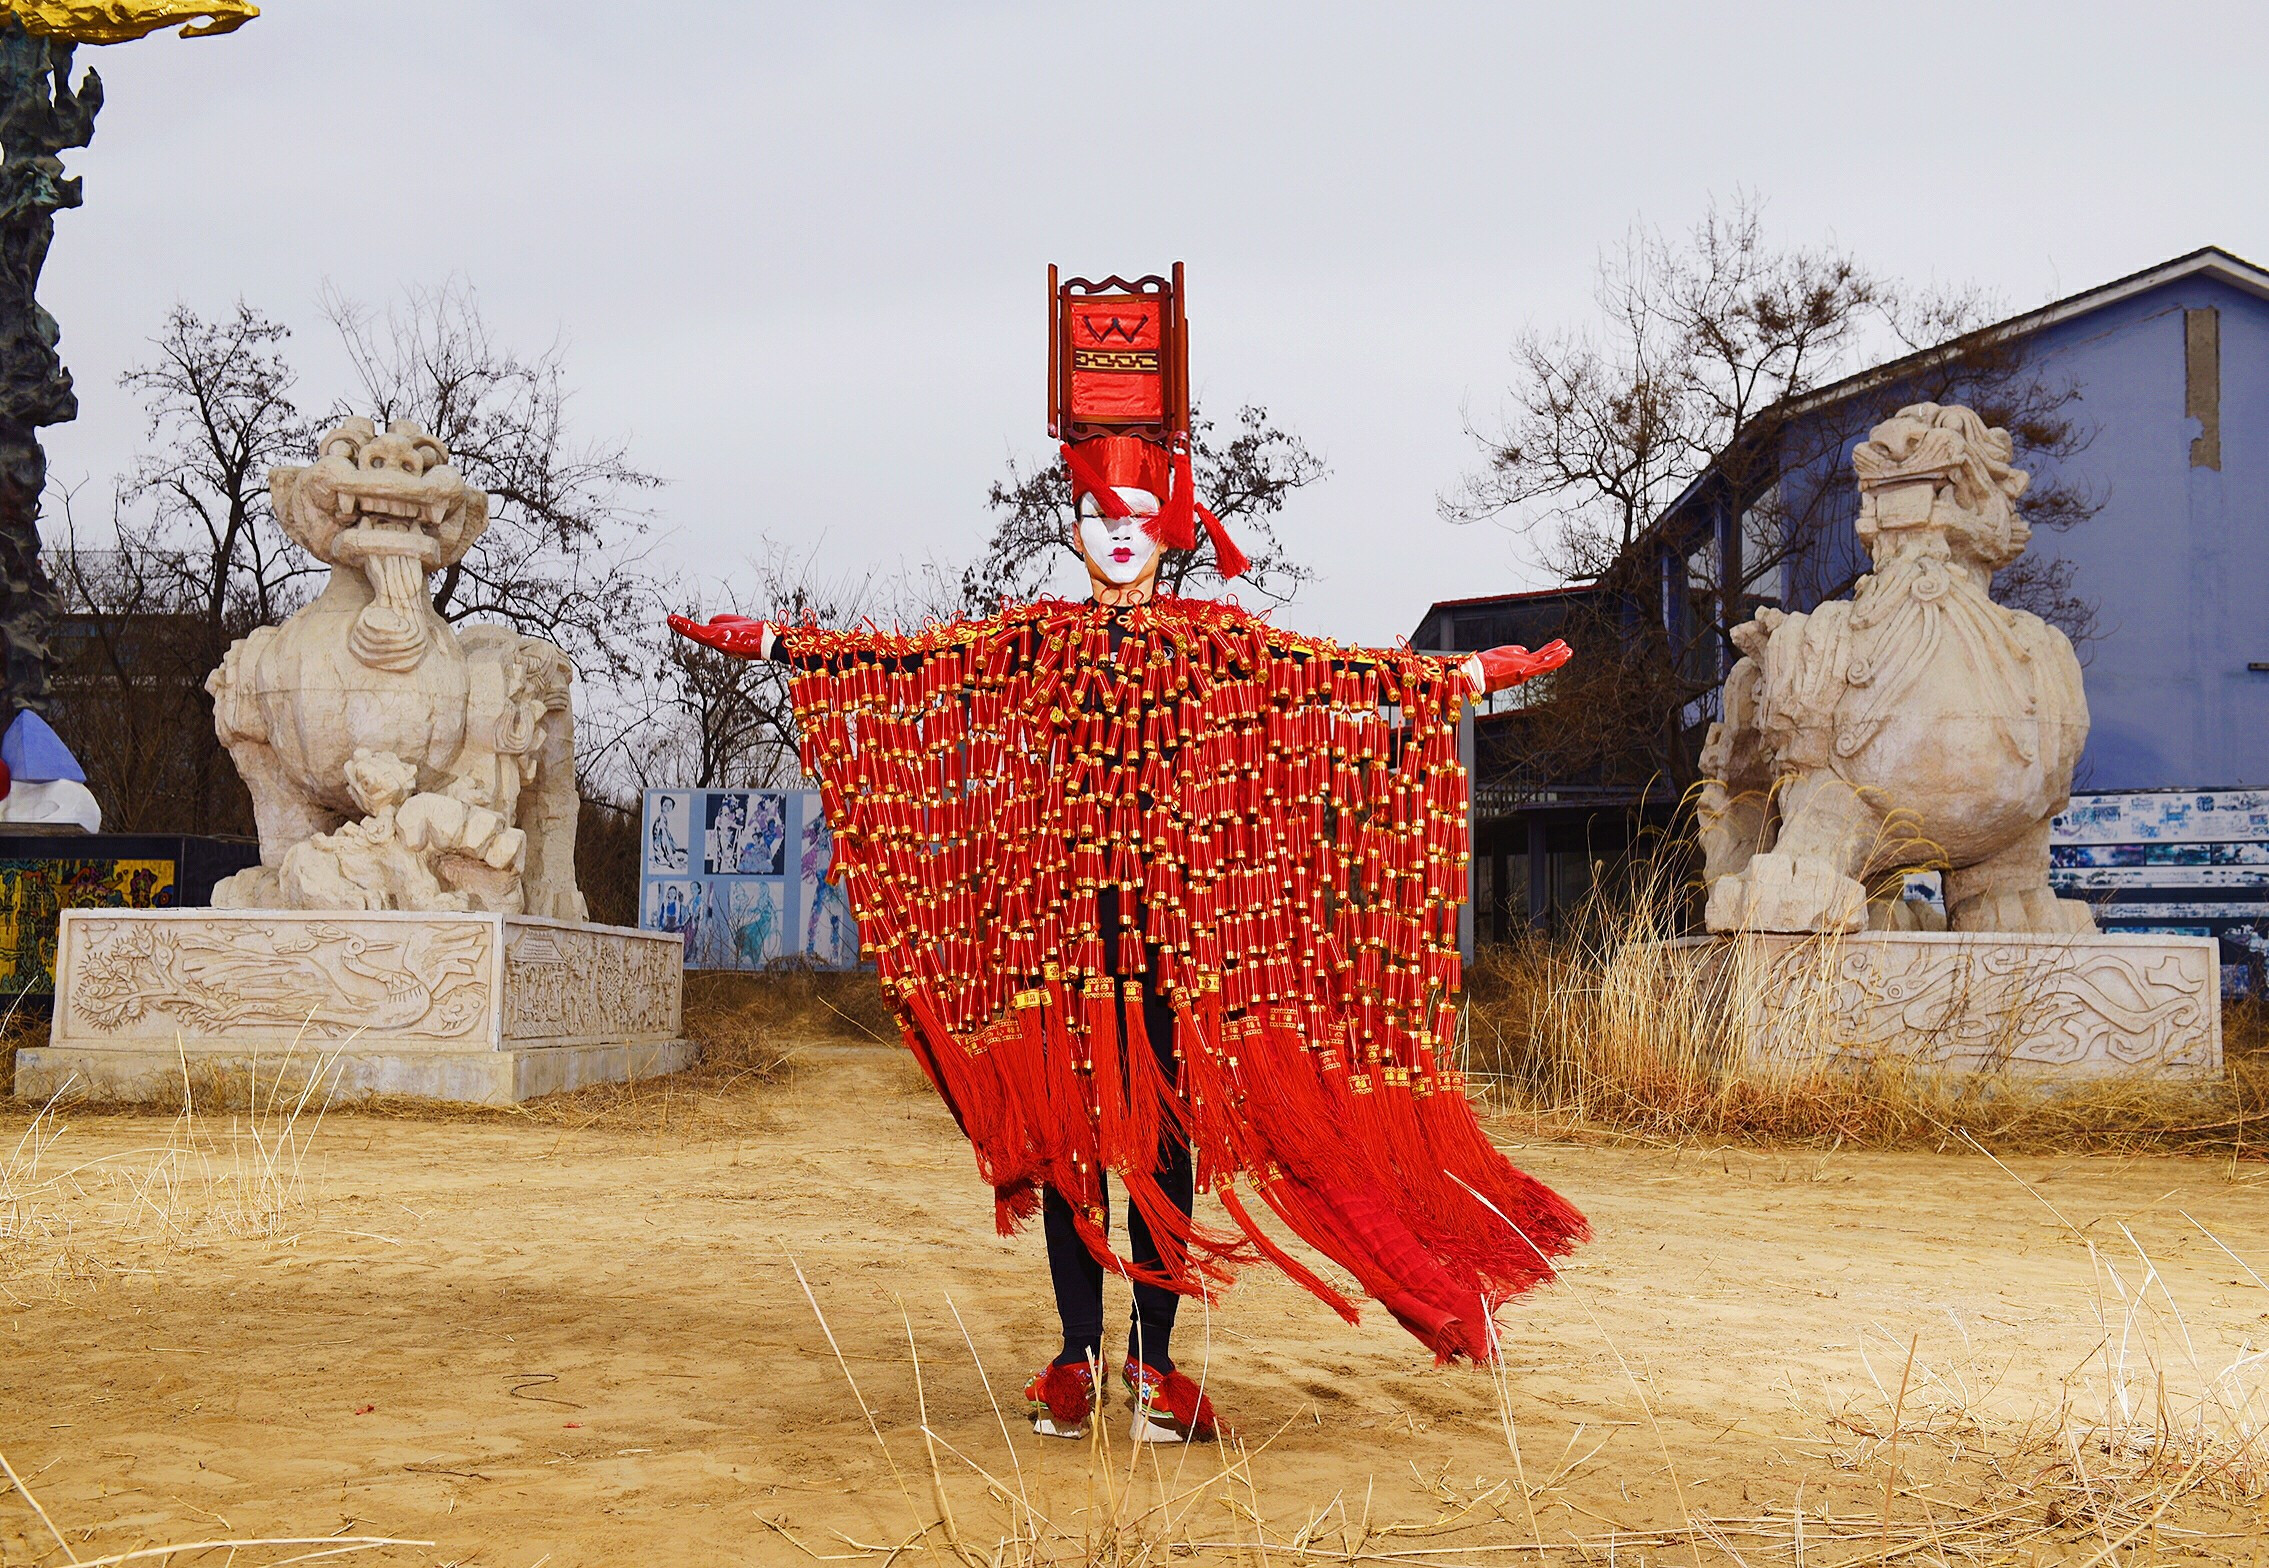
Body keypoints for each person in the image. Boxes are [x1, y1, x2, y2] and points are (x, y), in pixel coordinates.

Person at [670, 266, 1587, 1445]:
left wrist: (1457, 672)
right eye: (1099, 519)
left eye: (1139, 519)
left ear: (1167, 531)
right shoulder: (1036, 638)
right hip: (1059, 934)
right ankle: (1073, 1355)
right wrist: (780, 644)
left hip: (1171, 935)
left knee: (1158, 1144)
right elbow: (909, 664)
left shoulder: (1213, 641)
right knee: (1068, 1150)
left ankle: (1153, 1367)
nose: (1117, 536)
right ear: (1075, 531)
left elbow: (1329, 673)